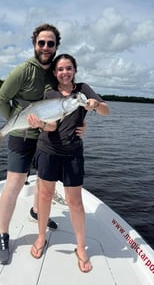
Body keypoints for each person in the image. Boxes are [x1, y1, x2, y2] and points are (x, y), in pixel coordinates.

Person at [0, 24, 86, 265]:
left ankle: (37, 212)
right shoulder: (23, 70)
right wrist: (17, 123)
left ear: (57, 46)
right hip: (22, 135)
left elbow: (72, 100)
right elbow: (1, 98)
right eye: (41, 43)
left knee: (41, 183)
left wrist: (82, 126)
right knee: (14, 183)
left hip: (48, 138)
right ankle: (2, 234)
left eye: (51, 43)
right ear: (34, 44)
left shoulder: (58, 70)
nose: (46, 48)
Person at [27, 54, 110, 273]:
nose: (65, 72)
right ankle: (41, 237)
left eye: (69, 68)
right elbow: (50, 127)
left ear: (74, 70)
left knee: (75, 202)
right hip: (47, 151)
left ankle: (81, 247)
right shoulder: (49, 94)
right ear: (55, 73)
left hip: (73, 153)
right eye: (61, 69)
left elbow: (105, 110)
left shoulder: (83, 90)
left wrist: (95, 104)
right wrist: (42, 125)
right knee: (44, 197)